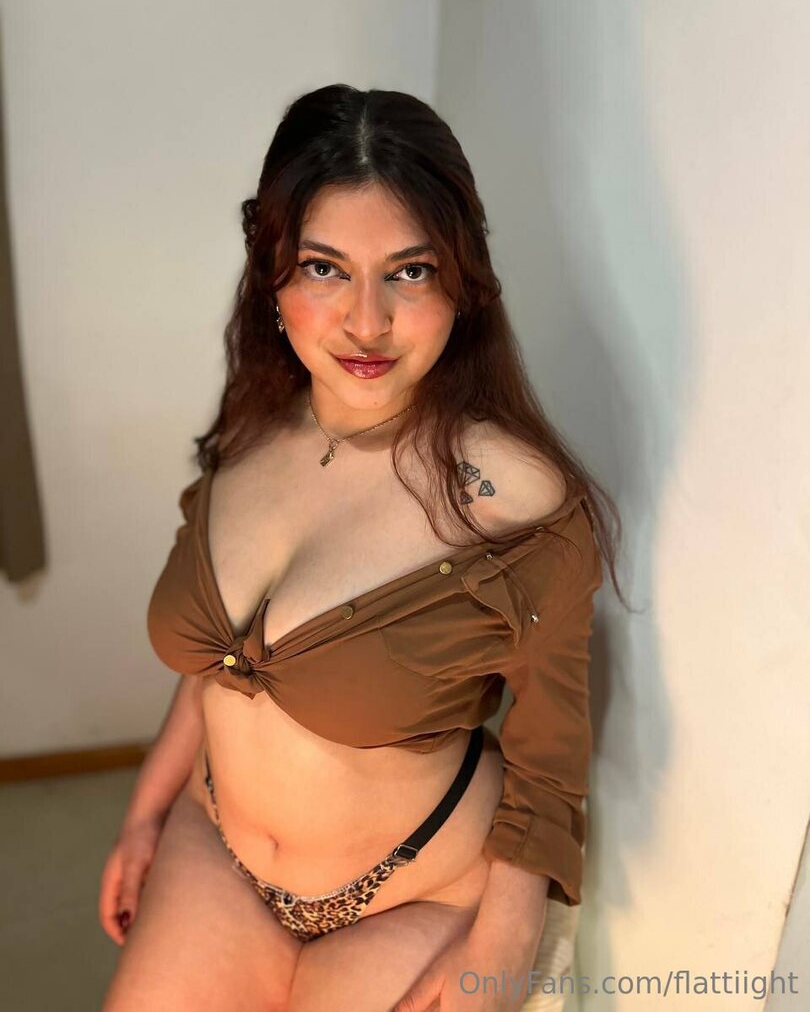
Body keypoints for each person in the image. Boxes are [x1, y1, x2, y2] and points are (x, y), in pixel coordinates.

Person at [99, 84, 626, 1012]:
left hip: (413, 894)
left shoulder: (521, 505)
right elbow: (219, 668)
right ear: (272, 277)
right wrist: (147, 811)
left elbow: (548, 758)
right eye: (324, 268)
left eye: (409, 272)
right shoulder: (251, 429)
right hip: (213, 847)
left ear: (462, 283)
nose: (367, 321)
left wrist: (503, 947)